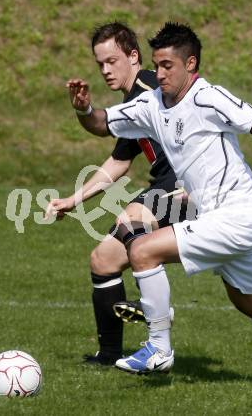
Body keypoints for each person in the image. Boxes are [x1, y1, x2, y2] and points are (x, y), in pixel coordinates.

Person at [66, 22, 252, 387]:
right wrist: (84, 109)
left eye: (167, 66)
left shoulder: (209, 97)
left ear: (190, 64)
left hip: (238, 215)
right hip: (228, 217)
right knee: (248, 300)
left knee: (142, 250)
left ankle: (158, 349)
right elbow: (102, 124)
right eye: (156, 65)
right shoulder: (151, 103)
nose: (158, 74)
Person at [47, 22, 190, 366]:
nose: (106, 70)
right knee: (103, 260)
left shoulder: (152, 87)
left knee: (129, 221)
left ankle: (155, 313)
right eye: (100, 65)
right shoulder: (132, 102)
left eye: (112, 61)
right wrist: (73, 199)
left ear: (133, 56)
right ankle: (110, 354)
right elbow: (119, 162)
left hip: (184, 186)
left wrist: (86, 112)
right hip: (162, 188)